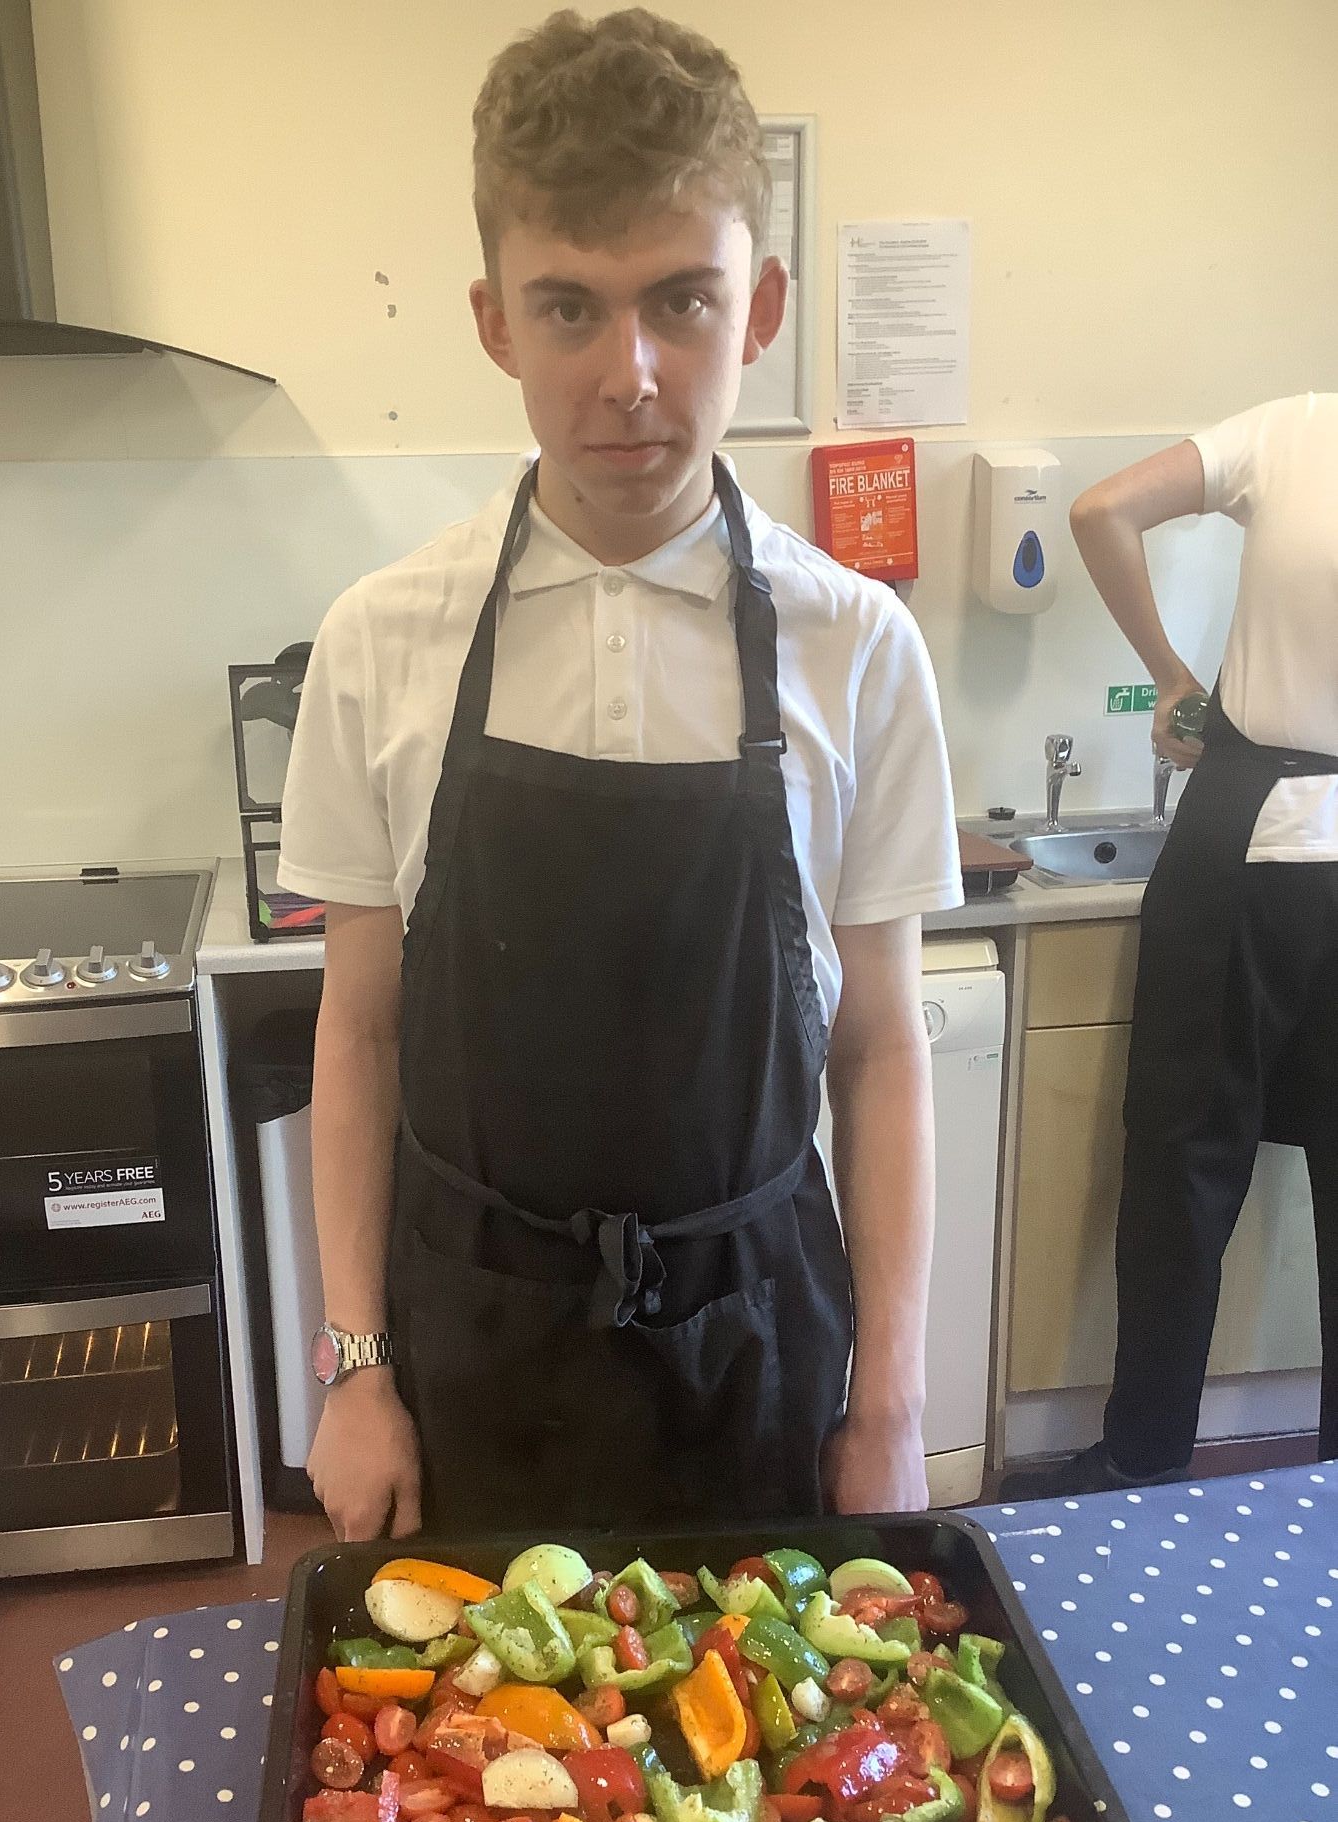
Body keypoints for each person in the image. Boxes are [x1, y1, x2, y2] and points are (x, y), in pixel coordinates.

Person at [277, 8, 963, 1540]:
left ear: (762, 304)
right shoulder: (384, 640)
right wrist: (355, 1369)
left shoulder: (858, 647)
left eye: (683, 302)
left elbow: (880, 1053)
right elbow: (362, 1037)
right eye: (570, 309)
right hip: (470, 1356)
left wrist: (893, 1408)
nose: (631, 374)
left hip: (757, 1354)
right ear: (492, 320)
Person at [1003, 393, 1338, 1500]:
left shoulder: (1296, 426)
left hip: (1246, 832)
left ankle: (1144, 1456)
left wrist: (1176, 676)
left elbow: (1100, 510)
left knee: (1186, 1166)